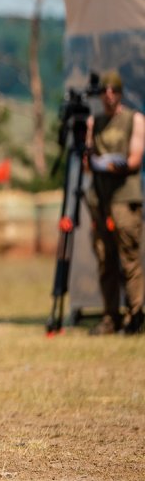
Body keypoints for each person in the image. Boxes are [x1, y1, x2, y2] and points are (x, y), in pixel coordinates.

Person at [85, 70, 145, 335]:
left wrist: (112, 164)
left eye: (114, 90)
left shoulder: (135, 119)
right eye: (105, 90)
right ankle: (110, 316)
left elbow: (135, 159)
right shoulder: (94, 122)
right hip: (100, 198)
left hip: (124, 197)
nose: (109, 95)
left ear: (120, 93)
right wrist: (90, 157)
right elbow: (87, 163)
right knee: (104, 258)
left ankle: (136, 315)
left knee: (129, 258)